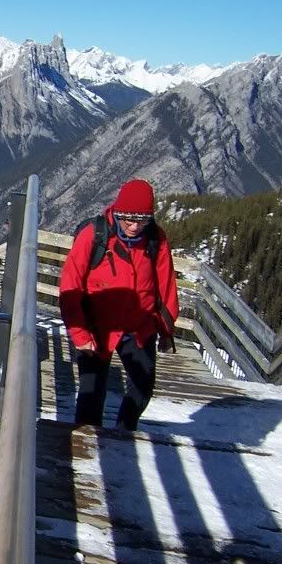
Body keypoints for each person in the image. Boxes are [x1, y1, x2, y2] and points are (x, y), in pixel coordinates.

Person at [58, 178, 179, 432]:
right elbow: (70, 287)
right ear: (118, 212)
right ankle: (88, 442)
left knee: (143, 386)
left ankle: (125, 430)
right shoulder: (94, 235)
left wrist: (166, 331)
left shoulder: (156, 239)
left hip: (139, 327)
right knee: (92, 392)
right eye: (128, 219)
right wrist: (79, 334)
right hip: (97, 327)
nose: (134, 226)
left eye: (142, 220)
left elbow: (165, 286)